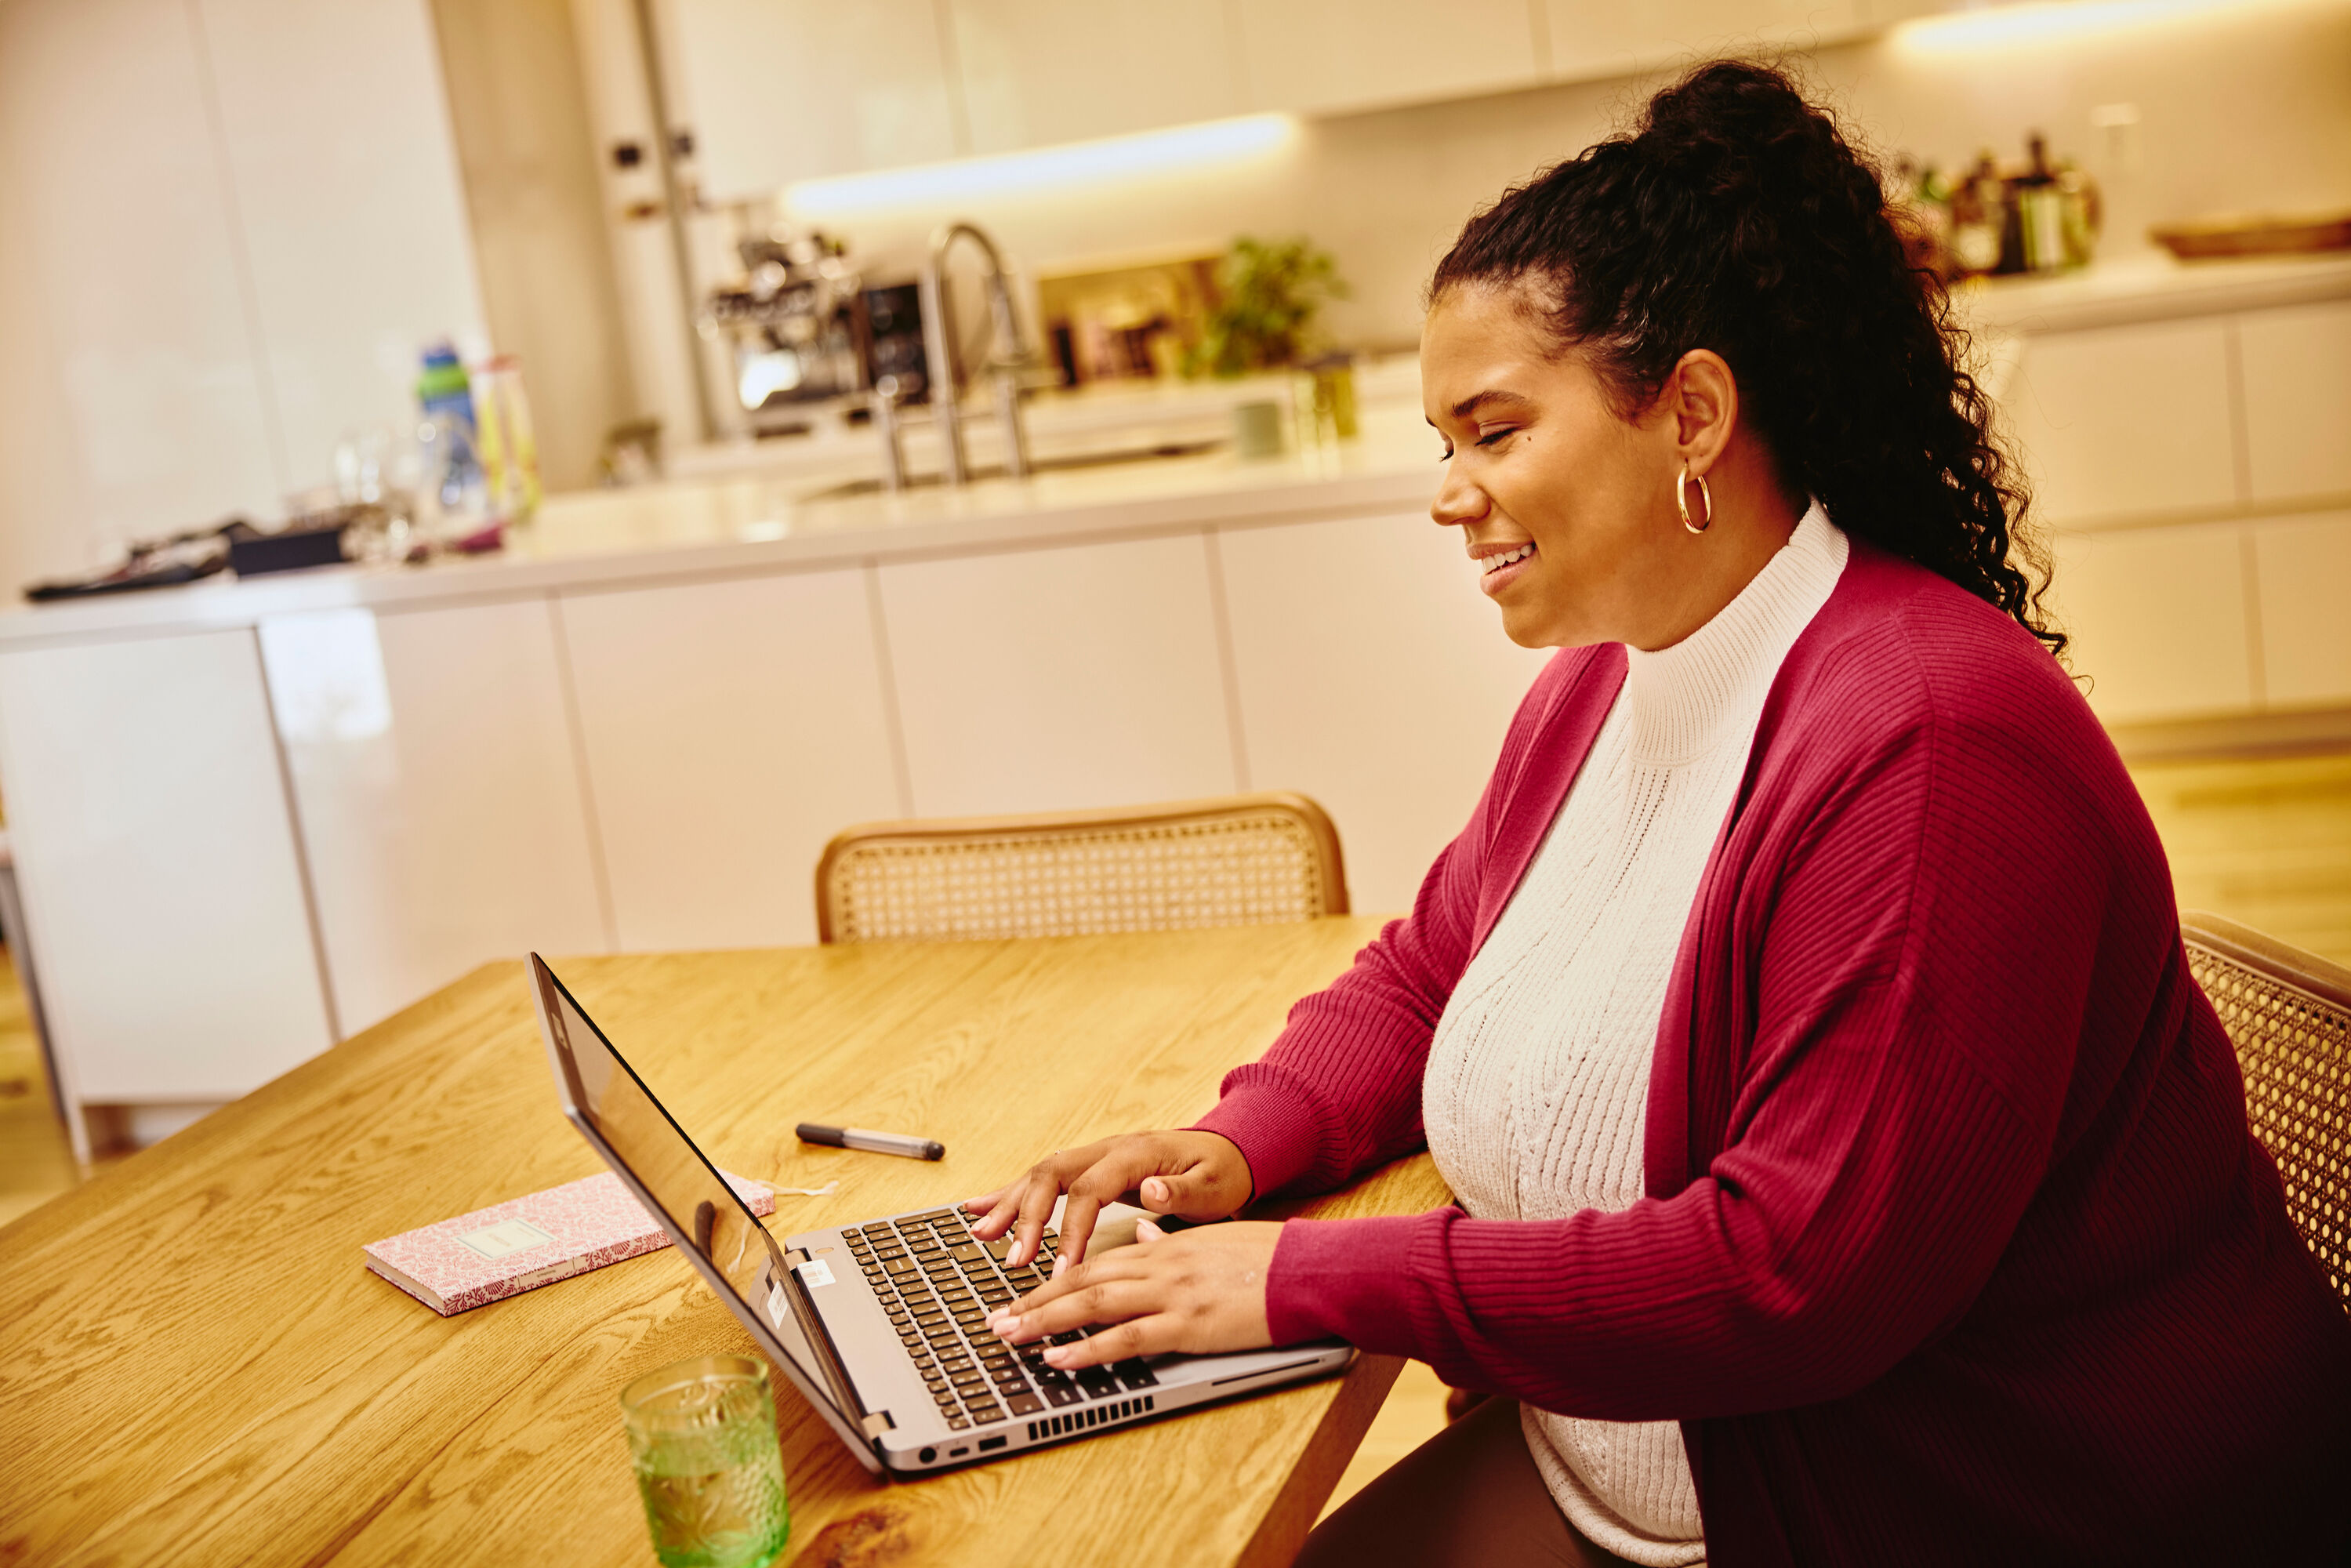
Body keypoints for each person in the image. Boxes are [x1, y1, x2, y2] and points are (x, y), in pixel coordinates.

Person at [963, 60, 2351, 1566]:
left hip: (1973, 1507)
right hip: (1651, 1476)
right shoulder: (1610, 682)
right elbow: (1432, 970)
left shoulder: (1933, 745)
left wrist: (1305, 1278)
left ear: (1690, 412)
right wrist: (1235, 1147)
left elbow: (1795, 1275)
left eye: (1495, 431)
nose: (1449, 494)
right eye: (1444, 443)